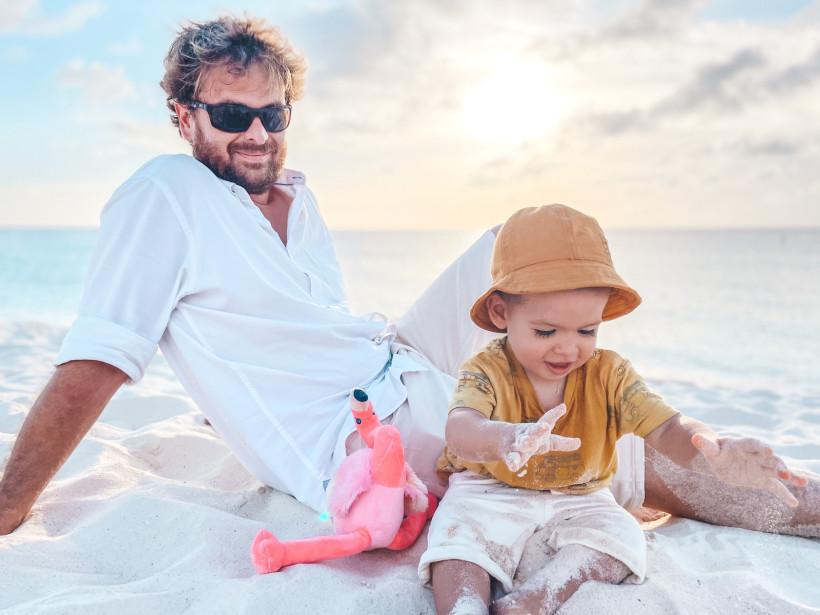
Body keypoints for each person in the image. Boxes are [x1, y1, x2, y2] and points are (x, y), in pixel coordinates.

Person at [0, 15, 816, 542]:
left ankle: (661, 437)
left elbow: (298, 325)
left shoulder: (296, 197)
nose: (257, 134)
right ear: (184, 117)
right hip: (373, 427)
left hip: (390, 356)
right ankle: (759, 485)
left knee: (524, 244)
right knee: (622, 443)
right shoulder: (163, 193)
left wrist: (228, 408)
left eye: (273, 114)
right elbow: (100, 359)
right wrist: (10, 502)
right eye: (232, 115)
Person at [417, 205, 809, 615]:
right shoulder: (485, 370)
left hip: (579, 493)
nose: (568, 348)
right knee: (457, 538)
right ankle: (464, 605)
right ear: (501, 313)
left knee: (620, 536)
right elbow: (460, 428)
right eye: (545, 331)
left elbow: (668, 427)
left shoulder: (611, 374)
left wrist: (714, 450)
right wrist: (507, 438)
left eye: (587, 330)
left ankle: (539, 597)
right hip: (490, 488)